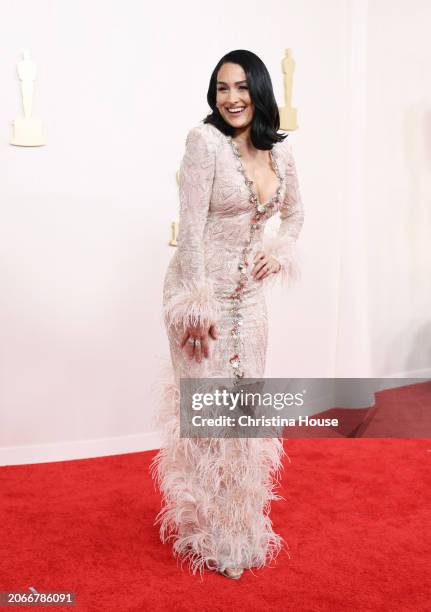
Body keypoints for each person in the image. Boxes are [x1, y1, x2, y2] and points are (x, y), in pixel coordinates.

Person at [150, 49, 304, 580]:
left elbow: (296, 214)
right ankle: (210, 529)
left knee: (244, 416)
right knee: (209, 419)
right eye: (222, 89)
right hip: (202, 298)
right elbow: (189, 228)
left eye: (241, 87)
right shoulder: (204, 144)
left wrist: (279, 250)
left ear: (259, 91)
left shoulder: (278, 155)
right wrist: (197, 306)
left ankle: (242, 522)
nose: (232, 98)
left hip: (249, 303)